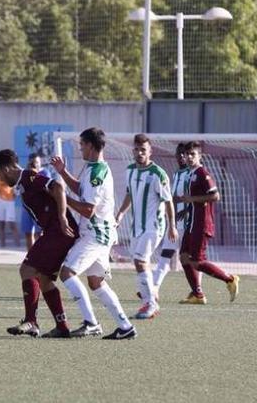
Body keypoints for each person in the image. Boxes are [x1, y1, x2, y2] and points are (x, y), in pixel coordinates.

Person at [52, 128, 137, 340]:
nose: (80, 148)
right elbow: (81, 189)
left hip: (95, 235)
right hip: (100, 234)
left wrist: (61, 198)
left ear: (90, 145)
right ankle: (125, 326)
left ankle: (91, 323)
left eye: (82, 144)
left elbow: (88, 209)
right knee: (96, 282)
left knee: (67, 273)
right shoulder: (93, 168)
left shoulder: (98, 172)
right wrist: (63, 172)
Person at [0, 149, 77, 339]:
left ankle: (31, 321)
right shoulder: (22, 184)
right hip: (54, 232)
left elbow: (58, 188)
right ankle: (62, 326)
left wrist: (62, 217)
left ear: (6, 168)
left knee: (27, 270)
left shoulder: (29, 177)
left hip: (58, 232)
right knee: (44, 280)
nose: (0, 179)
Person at [115, 134, 176, 320]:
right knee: (139, 262)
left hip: (154, 226)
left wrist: (172, 225)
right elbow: (129, 194)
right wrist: (120, 213)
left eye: (144, 150)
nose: (140, 153)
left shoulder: (158, 173)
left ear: (150, 151)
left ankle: (150, 303)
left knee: (141, 260)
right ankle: (150, 297)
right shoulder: (130, 170)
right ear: (133, 150)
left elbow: (168, 201)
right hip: (137, 227)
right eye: (137, 149)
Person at [177, 141, 240, 304]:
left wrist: (191, 199)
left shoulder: (202, 173)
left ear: (200, 156)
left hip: (201, 223)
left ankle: (229, 279)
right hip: (191, 222)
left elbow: (215, 196)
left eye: (193, 154)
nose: (189, 157)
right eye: (187, 154)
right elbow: (194, 200)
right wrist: (186, 209)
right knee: (184, 258)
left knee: (197, 262)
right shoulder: (189, 174)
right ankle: (197, 294)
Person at [152, 143, 193, 298]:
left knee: (192, 260)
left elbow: (194, 197)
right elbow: (172, 198)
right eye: (179, 154)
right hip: (175, 225)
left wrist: (187, 210)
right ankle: (154, 287)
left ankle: (198, 289)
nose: (182, 157)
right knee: (165, 255)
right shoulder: (176, 174)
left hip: (189, 224)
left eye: (185, 154)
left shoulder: (191, 173)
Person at [20, 154, 47, 250]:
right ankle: (30, 256)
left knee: (40, 234)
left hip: (39, 208)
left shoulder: (45, 173)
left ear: (40, 163)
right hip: (27, 208)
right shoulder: (24, 174)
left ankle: (39, 256)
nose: (34, 164)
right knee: (28, 233)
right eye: (32, 162)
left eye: (36, 162)